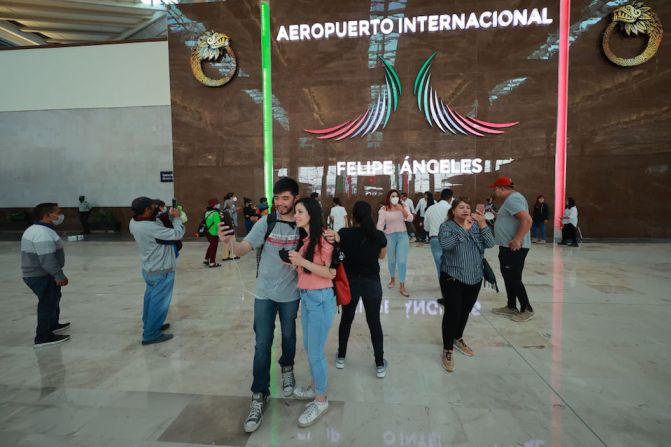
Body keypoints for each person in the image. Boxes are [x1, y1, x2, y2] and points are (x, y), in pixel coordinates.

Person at [218, 177, 301, 433]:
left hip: (291, 294)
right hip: (264, 293)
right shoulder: (267, 222)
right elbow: (244, 247)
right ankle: (259, 394)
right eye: (277, 198)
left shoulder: (303, 224)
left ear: (295, 198)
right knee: (262, 344)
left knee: (288, 335)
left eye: (286, 198)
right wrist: (229, 242)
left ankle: (287, 367)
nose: (280, 203)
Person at [287, 197, 336, 428]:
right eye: (295, 211)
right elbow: (306, 268)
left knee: (315, 352)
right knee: (309, 347)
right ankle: (316, 386)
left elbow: (330, 273)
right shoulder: (306, 240)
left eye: (299, 211)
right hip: (307, 298)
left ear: (311, 214)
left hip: (320, 299)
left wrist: (301, 262)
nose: (295, 215)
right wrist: (295, 262)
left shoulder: (324, 238)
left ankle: (321, 398)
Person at [327, 201, 388, 378]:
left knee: (346, 319)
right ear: (370, 215)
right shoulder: (378, 235)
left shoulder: (344, 233)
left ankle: (341, 357)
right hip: (372, 283)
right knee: (374, 322)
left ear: (353, 216)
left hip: (350, 284)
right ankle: (379, 364)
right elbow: (381, 257)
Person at [438, 198, 495, 372]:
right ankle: (447, 348)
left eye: (468, 207)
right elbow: (446, 245)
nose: (465, 210)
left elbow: (491, 243)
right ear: (453, 211)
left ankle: (458, 337)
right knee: (452, 312)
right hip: (452, 277)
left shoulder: (477, 225)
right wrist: (464, 229)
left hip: (475, 277)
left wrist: (483, 223)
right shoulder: (446, 227)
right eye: (461, 207)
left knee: (465, 310)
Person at [129, 197, 185, 345]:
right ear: (146, 210)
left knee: (150, 299)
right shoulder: (150, 228)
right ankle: (151, 334)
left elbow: (157, 222)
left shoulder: (134, 222)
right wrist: (177, 219)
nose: (157, 209)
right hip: (162, 269)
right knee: (159, 302)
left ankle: (150, 325)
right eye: (154, 207)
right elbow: (177, 234)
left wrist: (168, 215)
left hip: (149, 268)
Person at [21, 203, 71, 347]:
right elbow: (47, 258)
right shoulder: (42, 233)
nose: (60, 216)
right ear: (47, 215)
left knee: (54, 298)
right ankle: (43, 337)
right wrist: (59, 275)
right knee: (47, 303)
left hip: (42, 274)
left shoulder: (37, 229)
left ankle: (53, 325)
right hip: (40, 275)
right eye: (57, 213)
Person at [489, 177, 534, 322]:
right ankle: (511, 306)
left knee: (513, 277)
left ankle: (527, 308)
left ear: (501, 188)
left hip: (514, 247)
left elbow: (527, 220)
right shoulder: (511, 200)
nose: (494, 192)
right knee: (508, 276)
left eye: (495, 189)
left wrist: (517, 239)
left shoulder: (513, 199)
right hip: (507, 247)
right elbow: (512, 219)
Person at [377, 189, 414, 297]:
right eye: (392, 196)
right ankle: (392, 279)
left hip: (402, 236)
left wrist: (402, 210)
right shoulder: (383, 210)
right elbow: (380, 225)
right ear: (388, 198)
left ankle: (402, 285)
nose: (394, 198)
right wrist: (379, 238)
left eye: (396, 196)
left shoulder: (403, 206)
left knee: (402, 261)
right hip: (389, 237)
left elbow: (410, 218)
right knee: (392, 261)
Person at [424, 188, 454, 275]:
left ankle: (442, 285)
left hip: (435, 239)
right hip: (449, 239)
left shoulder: (430, 209)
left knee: (439, 265)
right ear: (450, 198)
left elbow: (426, 227)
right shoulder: (451, 209)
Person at [221, 192, 240, 261]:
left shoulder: (227, 202)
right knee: (232, 240)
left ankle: (225, 256)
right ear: (231, 197)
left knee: (227, 240)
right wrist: (235, 209)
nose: (235, 197)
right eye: (234, 196)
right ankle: (232, 255)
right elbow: (230, 211)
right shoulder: (229, 202)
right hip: (231, 224)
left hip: (227, 224)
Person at [203, 198, 221, 267]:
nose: (219, 205)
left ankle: (206, 259)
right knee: (214, 247)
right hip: (214, 233)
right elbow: (218, 224)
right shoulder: (215, 213)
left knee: (211, 246)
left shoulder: (207, 212)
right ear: (214, 205)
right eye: (217, 204)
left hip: (208, 232)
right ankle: (212, 262)